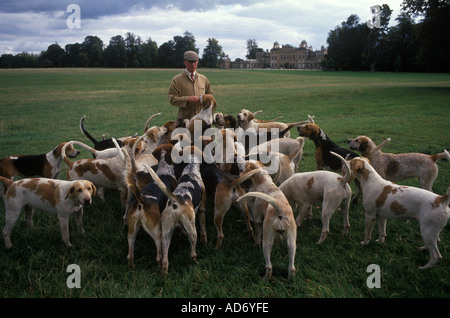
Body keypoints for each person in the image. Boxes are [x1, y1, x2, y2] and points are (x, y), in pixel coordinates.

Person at [168, 50, 214, 120]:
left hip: (200, 119)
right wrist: (187, 99)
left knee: (198, 131)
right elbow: (172, 99)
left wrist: (202, 98)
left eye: (195, 61)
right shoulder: (177, 80)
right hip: (185, 120)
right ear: (185, 62)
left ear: (197, 62)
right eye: (190, 62)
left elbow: (210, 95)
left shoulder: (203, 79)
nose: (193, 64)